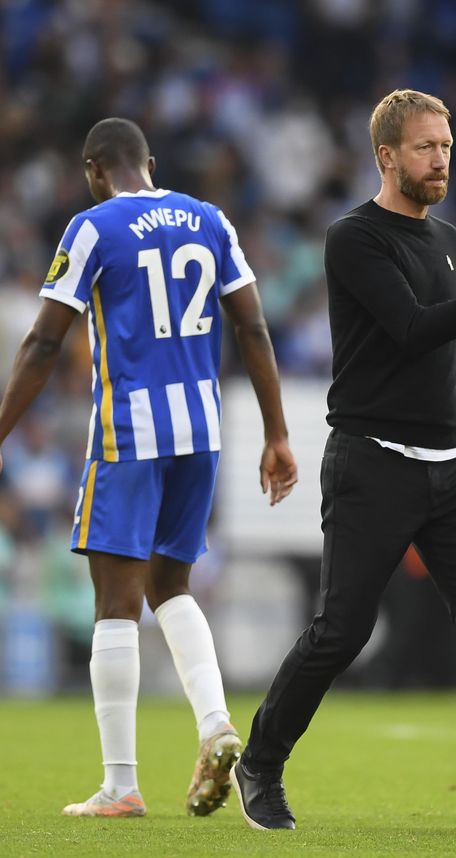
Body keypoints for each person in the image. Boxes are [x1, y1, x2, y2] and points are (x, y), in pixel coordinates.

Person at [230, 89, 456, 834]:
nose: (442, 157)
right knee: (342, 631)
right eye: (426, 146)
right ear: (387, 155)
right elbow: (415, 330)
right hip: (371, 463)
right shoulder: (353, 237)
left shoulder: (445, 237)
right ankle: (259, 761)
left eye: (447, 145)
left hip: (450, 468)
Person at [0, 118, 298, 818]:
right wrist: (277, 432)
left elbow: (45, 344)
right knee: (172, 583)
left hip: (129, 430)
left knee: (116, 602)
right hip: (201, 431)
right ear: (150, 164)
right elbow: (252, 326)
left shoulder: (93, 227)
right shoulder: (211, 220)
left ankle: (120, 785)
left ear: (93, 169)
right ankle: (217, 723)